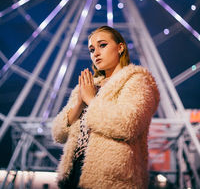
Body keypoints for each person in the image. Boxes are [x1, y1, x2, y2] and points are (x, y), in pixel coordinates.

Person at [52, 26, 160, 189]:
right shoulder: (88, 86)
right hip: (74, 176)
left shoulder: (137, 82)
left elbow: (127, 125)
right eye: (91, 49)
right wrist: (79, 104)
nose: (95, 53)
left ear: (120, 47)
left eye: (102, 45)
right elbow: (58, 134)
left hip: (113, 180)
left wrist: (90, 100)